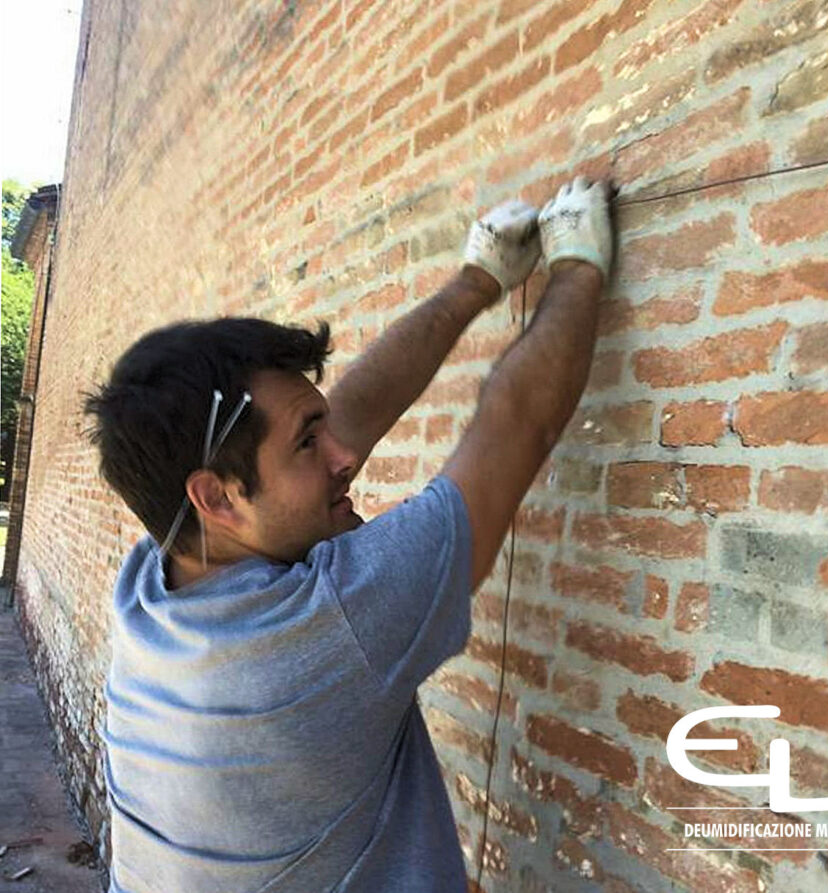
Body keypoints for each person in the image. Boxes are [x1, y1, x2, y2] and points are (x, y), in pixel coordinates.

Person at [82, 177, 614, 892]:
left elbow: (341, 424)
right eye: (309, 442)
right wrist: (578, 264)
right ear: (217, 497)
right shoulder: (325, 625)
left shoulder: (153, 581)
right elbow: (519, 424)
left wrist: (477, 281)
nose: (343, 457)